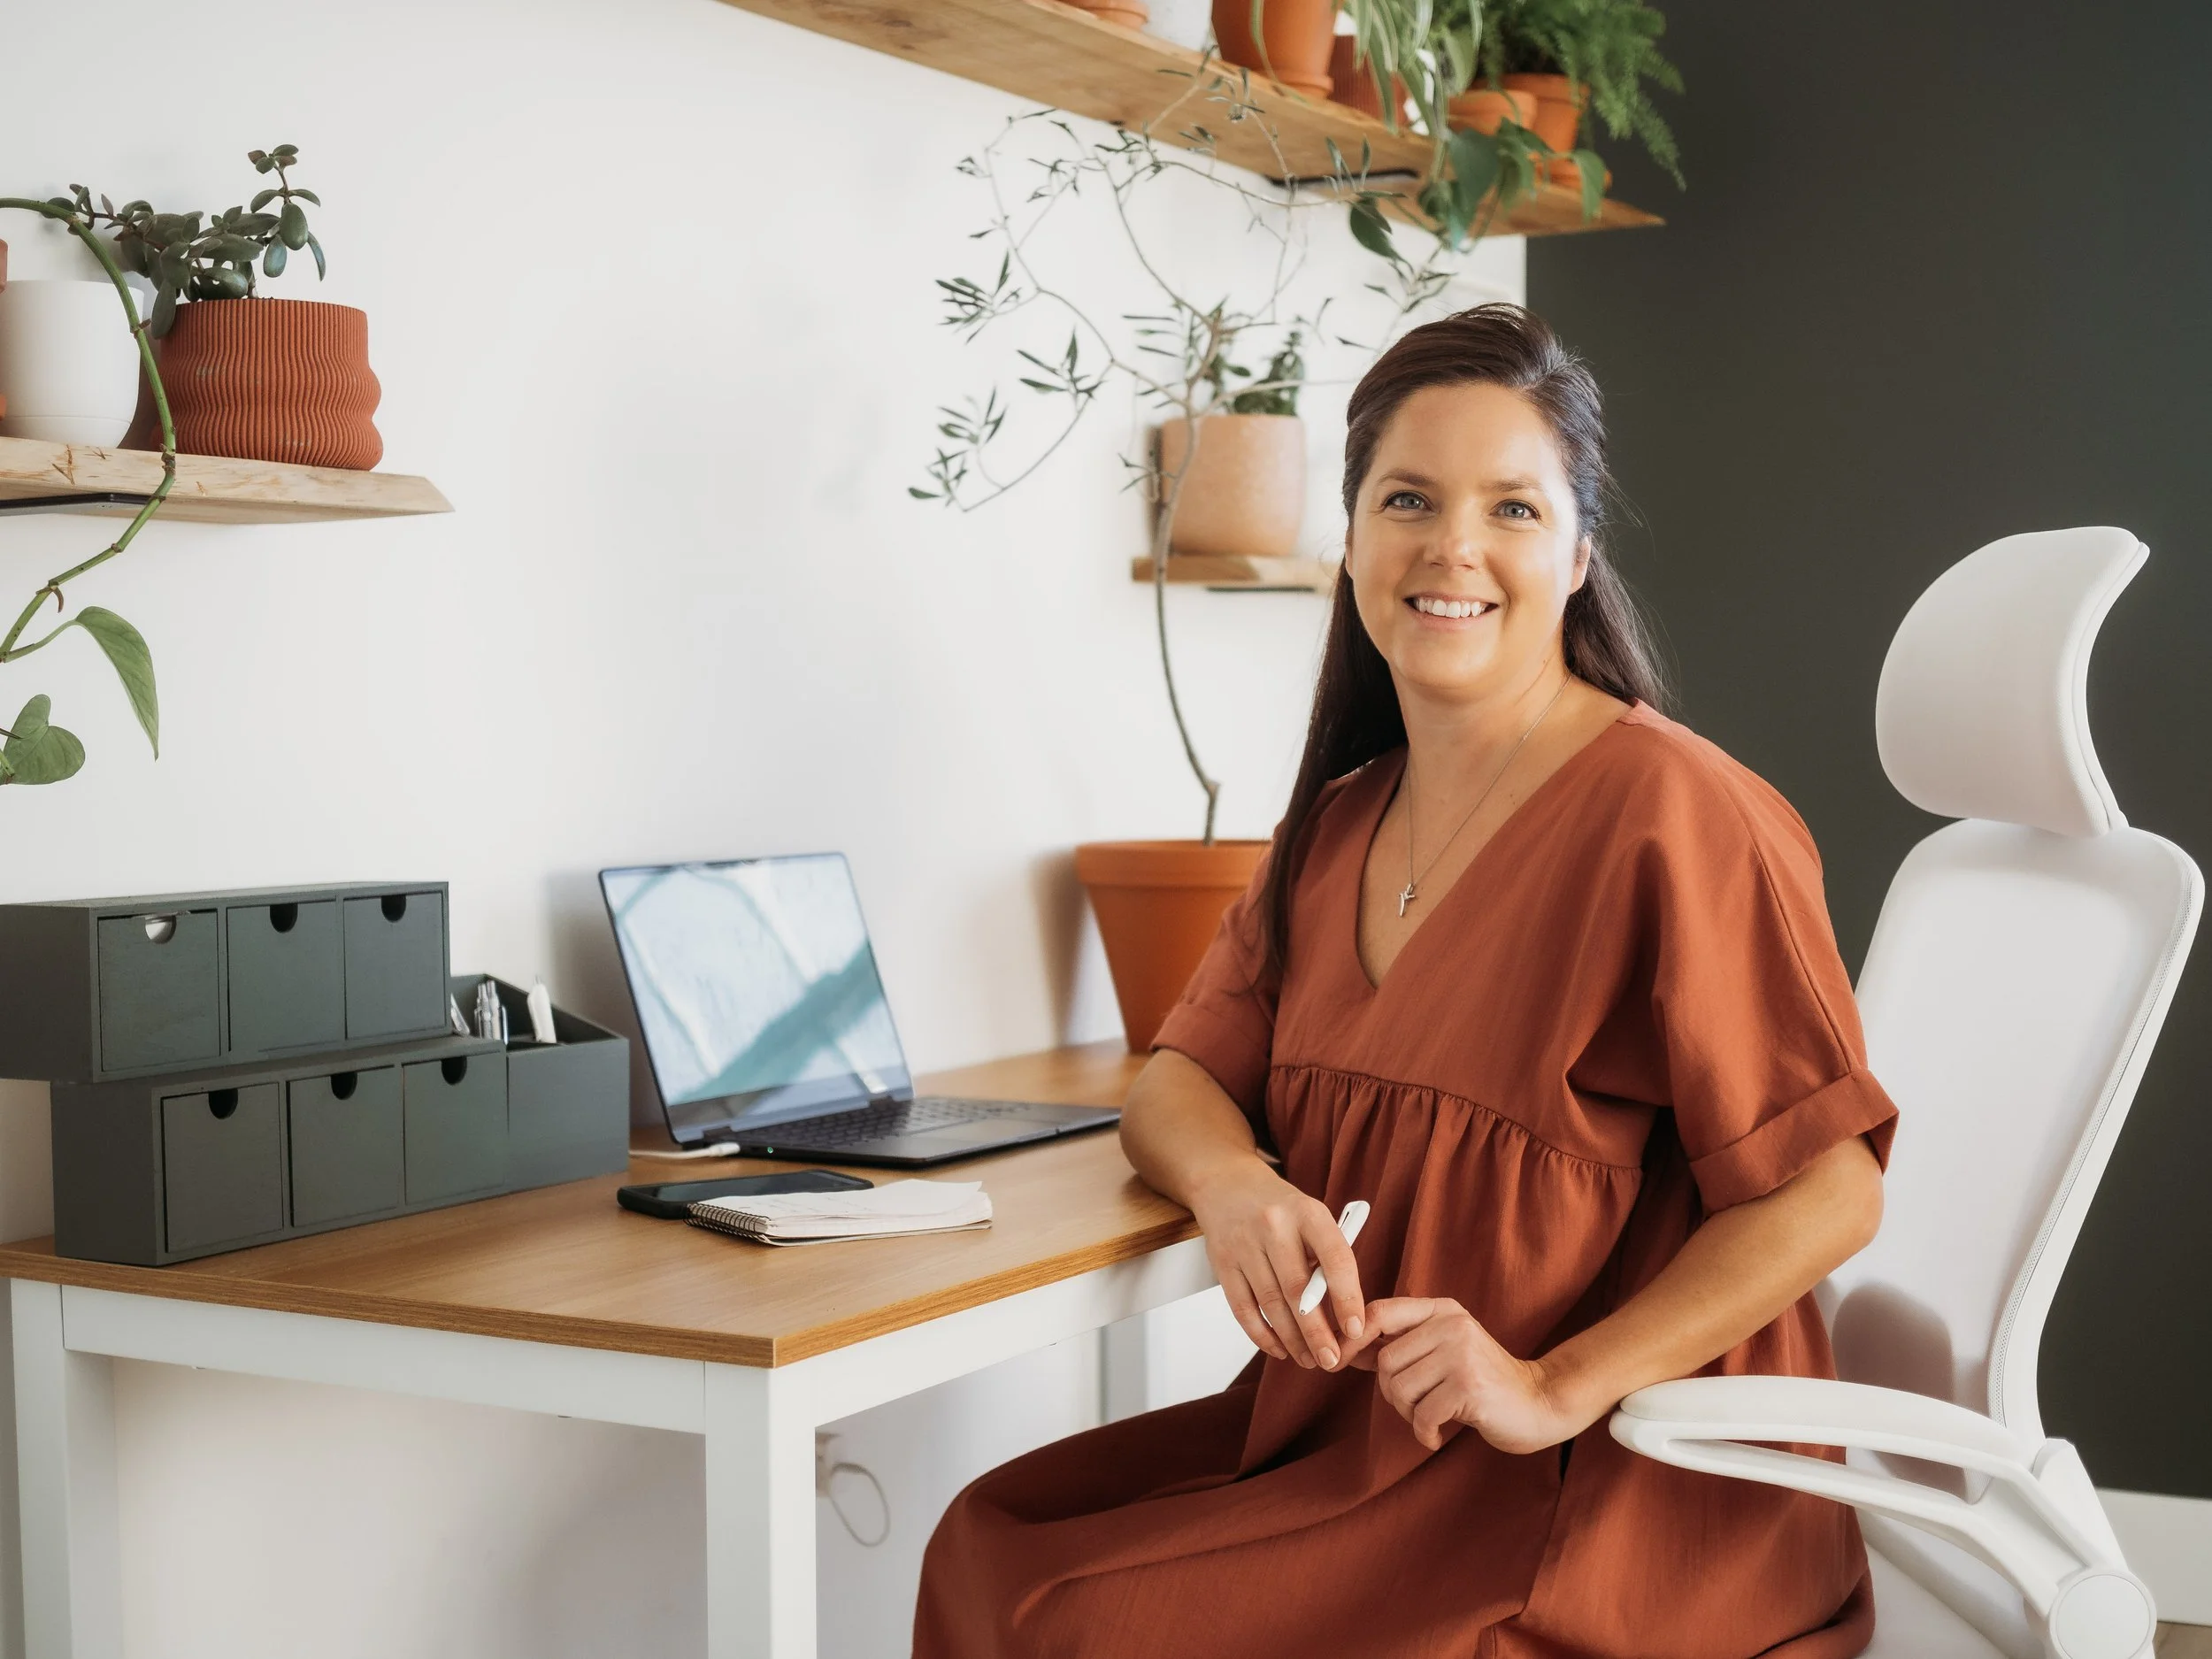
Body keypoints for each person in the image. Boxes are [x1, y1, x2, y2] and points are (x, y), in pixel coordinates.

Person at [913, 304, 1897, 1658]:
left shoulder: (1680, 816)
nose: (1453, 548)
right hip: (1356, 1449)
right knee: (990, 1543)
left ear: (1578, 552)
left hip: (1601, 1493)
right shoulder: (1336, 824)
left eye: (1512, 508)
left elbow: (1831, 1188)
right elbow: (1182, 1077)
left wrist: (1552, 1383)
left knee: (1087, 1622)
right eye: (1409, 500)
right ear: (1354, 539)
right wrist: (1236, 1182)